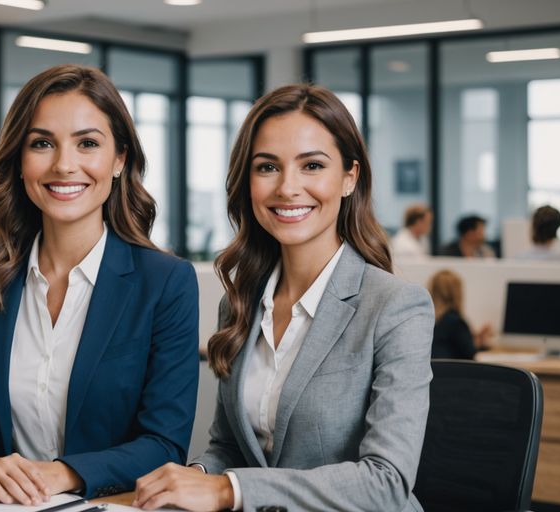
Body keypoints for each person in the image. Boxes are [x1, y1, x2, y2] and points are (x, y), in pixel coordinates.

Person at [133, 84, 434, 511]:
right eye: (267, 167)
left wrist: (228, 491)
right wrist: (195, 477)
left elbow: (385, 481)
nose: (288, 188)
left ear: (349, 178)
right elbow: (232, 449)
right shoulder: (239, 304)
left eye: (312, 165)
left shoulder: (396, 307)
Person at [0, 64, 199, 505]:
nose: (65, 165)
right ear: (20, 160)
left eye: (87, 143)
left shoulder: (165, 283)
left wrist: (61, 475)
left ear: (119, 159)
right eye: (42, 143)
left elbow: (164, 444)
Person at [427, 269, 492, 360]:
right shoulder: (456, 322)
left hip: (431, 371)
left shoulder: (426, 319)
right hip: (452, 372)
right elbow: (470, 354)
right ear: (456, 293)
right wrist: (483, 345)